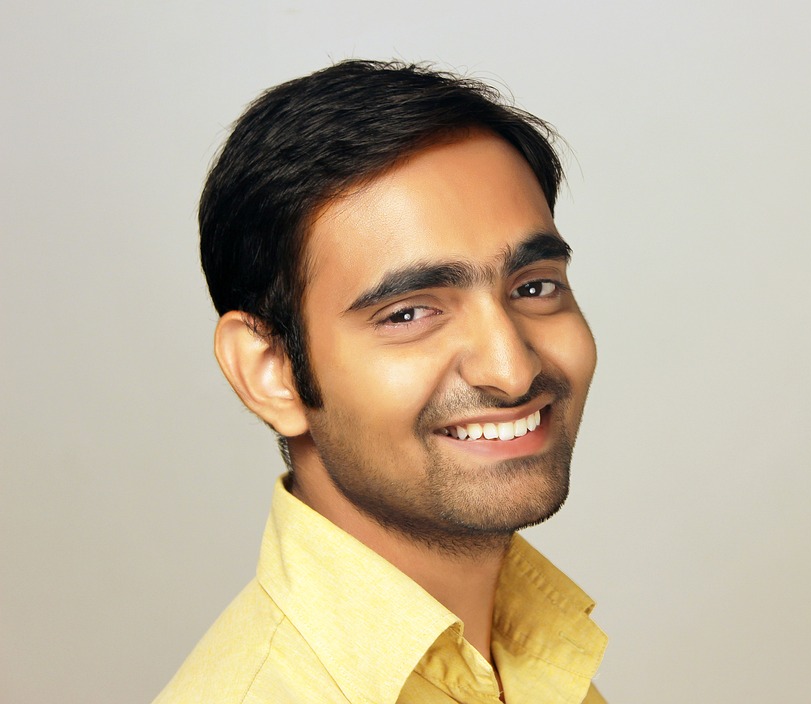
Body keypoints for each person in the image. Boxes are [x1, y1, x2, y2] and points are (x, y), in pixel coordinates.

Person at [155, 60, 607, 704]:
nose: (513, 370)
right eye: (409, 313)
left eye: (533, 287)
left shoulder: (529, 658)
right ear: (270, 373)